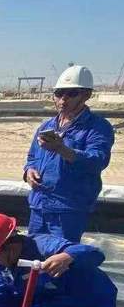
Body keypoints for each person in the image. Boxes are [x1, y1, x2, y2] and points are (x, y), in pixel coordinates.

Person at [23, 65, 115, 241]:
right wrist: (29, 171)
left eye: (71, 94)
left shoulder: (97, 128)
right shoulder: (47, 126)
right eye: (59, 93)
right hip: (39, 206)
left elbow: (97, 160)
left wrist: (62, 149)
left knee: (59, 261)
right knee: (33, 256)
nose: (63, 100)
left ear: (86, 95)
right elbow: (32, 157)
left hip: (67, 210)